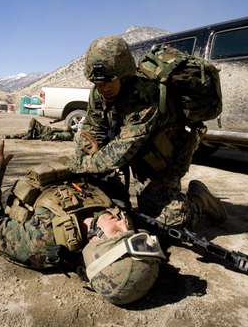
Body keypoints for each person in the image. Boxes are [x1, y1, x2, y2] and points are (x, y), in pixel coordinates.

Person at [0, 136, 170, 305]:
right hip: (62, 181)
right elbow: (108, 186)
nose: (126, 223)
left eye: (120, 233)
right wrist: (97, 160)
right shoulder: (119, 216)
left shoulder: (40, 242)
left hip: (17, 197)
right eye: (133, 232)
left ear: (97, 242)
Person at [70, 36, 226, 228]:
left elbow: (121, 151)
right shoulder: (99, 93)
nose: (103, 88)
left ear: (123, 74)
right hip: (136, 155)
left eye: (108, 81)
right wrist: (81, 157)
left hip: (162, 160)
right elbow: (92, 129)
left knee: (165, 221)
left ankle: (200, 200)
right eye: (97, 83)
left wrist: (81, 167)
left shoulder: (145, 97)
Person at [4, 118, 74, 141]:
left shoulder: (66, 134)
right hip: (44, 131)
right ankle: (11, 136)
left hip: (44, 131)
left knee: (33, 120)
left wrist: (53, 135)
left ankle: (29, 135)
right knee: (25, 134)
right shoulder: (65, 132)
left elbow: (56, 136)